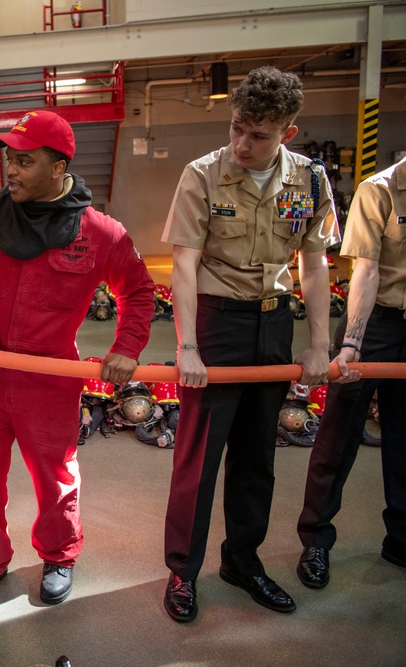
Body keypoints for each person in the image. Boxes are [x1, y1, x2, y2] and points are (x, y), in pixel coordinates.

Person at [0, 110, 154, 611]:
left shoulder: (100, 233)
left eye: (24, 160)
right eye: (10, 158)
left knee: (56, 474)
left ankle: (58, 556)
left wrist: (126, 348)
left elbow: (138, 292)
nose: (11, 169)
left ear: (59, 167)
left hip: (50, 379)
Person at [160, 66, 339, 623]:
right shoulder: (202, 175)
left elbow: (313, 265)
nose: (242, 143)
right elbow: (183, 266)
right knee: (199, 456)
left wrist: (318, 345)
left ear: (288, 131)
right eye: (237, 128)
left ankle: (242, 560)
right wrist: (187, 346)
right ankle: (182, 572)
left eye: (258, 135)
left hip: (273, 325)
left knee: (258, 457)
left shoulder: (309, 181)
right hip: (218, 324)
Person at [296, 155, 406, 588]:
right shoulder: (378, 190)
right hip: (375, 320)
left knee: (404, 435)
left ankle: (401, 540)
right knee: (339, 436)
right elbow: (367, 271)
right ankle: (316, 540)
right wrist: (352, 346)